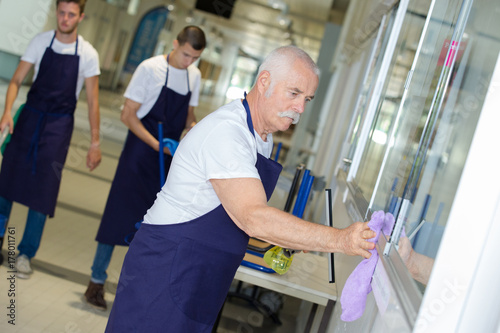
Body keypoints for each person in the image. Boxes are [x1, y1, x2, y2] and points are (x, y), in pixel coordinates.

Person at [105, 45, 376, 332]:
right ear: (264, 82)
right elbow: (253, 217)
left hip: (200, 276)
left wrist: (296, 237)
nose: (300, 108)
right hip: (165, 270)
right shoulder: (227, 132)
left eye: (307, 99)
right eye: (294, 93)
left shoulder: (261, 136)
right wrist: (341, 240)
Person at [83, 26, 206, 310]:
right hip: (139, 154)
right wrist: (156, 145)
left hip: (169, 159)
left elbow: (189, 116)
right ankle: (96, 282)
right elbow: (128, 114)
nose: (189, 62)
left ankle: (136, 288)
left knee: (155, 225)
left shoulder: (194, 75)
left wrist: (193, 130)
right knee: (119, 216)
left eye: (195, 58)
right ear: (175, 44)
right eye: (186, 54)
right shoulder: (150, 69)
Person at [0, 0, 101, 276]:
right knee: (6, 180)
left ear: (81, 16)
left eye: (71, 14)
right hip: (29, 119)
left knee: (42, 192)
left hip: (58, 128)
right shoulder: (41, 41)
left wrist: (95, 142)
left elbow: (93, 101)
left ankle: (25, 254)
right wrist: (8, 112)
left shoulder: (88, 54)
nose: (65, 19)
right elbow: (16, 80)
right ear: (56, 12)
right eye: (61, 13)